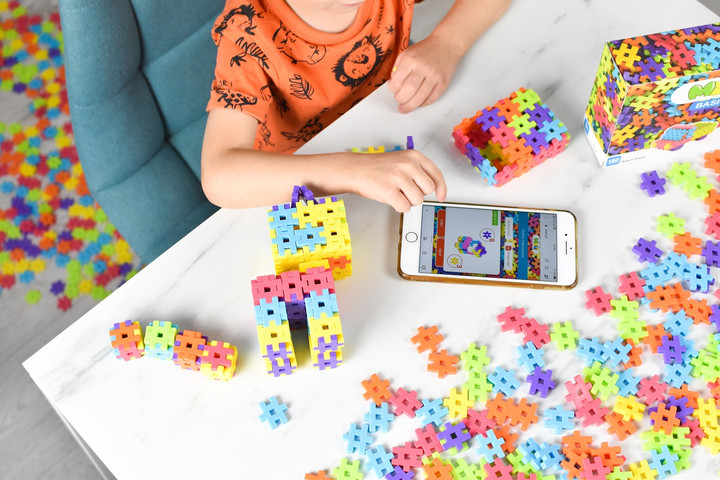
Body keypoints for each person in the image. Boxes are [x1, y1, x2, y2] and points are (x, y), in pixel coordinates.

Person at [201, 0, 511, 212]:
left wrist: (447, 43)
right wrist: (353, 171)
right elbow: (219, 177)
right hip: (296, 168)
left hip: (387, 124)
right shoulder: (246, 30)